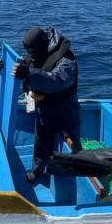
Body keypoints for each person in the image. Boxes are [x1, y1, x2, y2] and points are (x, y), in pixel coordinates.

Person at [12, 26, 81, 183]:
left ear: (43, 44)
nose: (32, 57)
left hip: (66, 111)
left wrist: (30, 74)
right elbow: (26, 64)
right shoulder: (38, 53)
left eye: (34, 52)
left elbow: (57, 80)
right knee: (41, 142)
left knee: (73, 148)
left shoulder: (66, 60)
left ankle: (78, 178)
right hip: (44, 108)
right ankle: (38, 170)